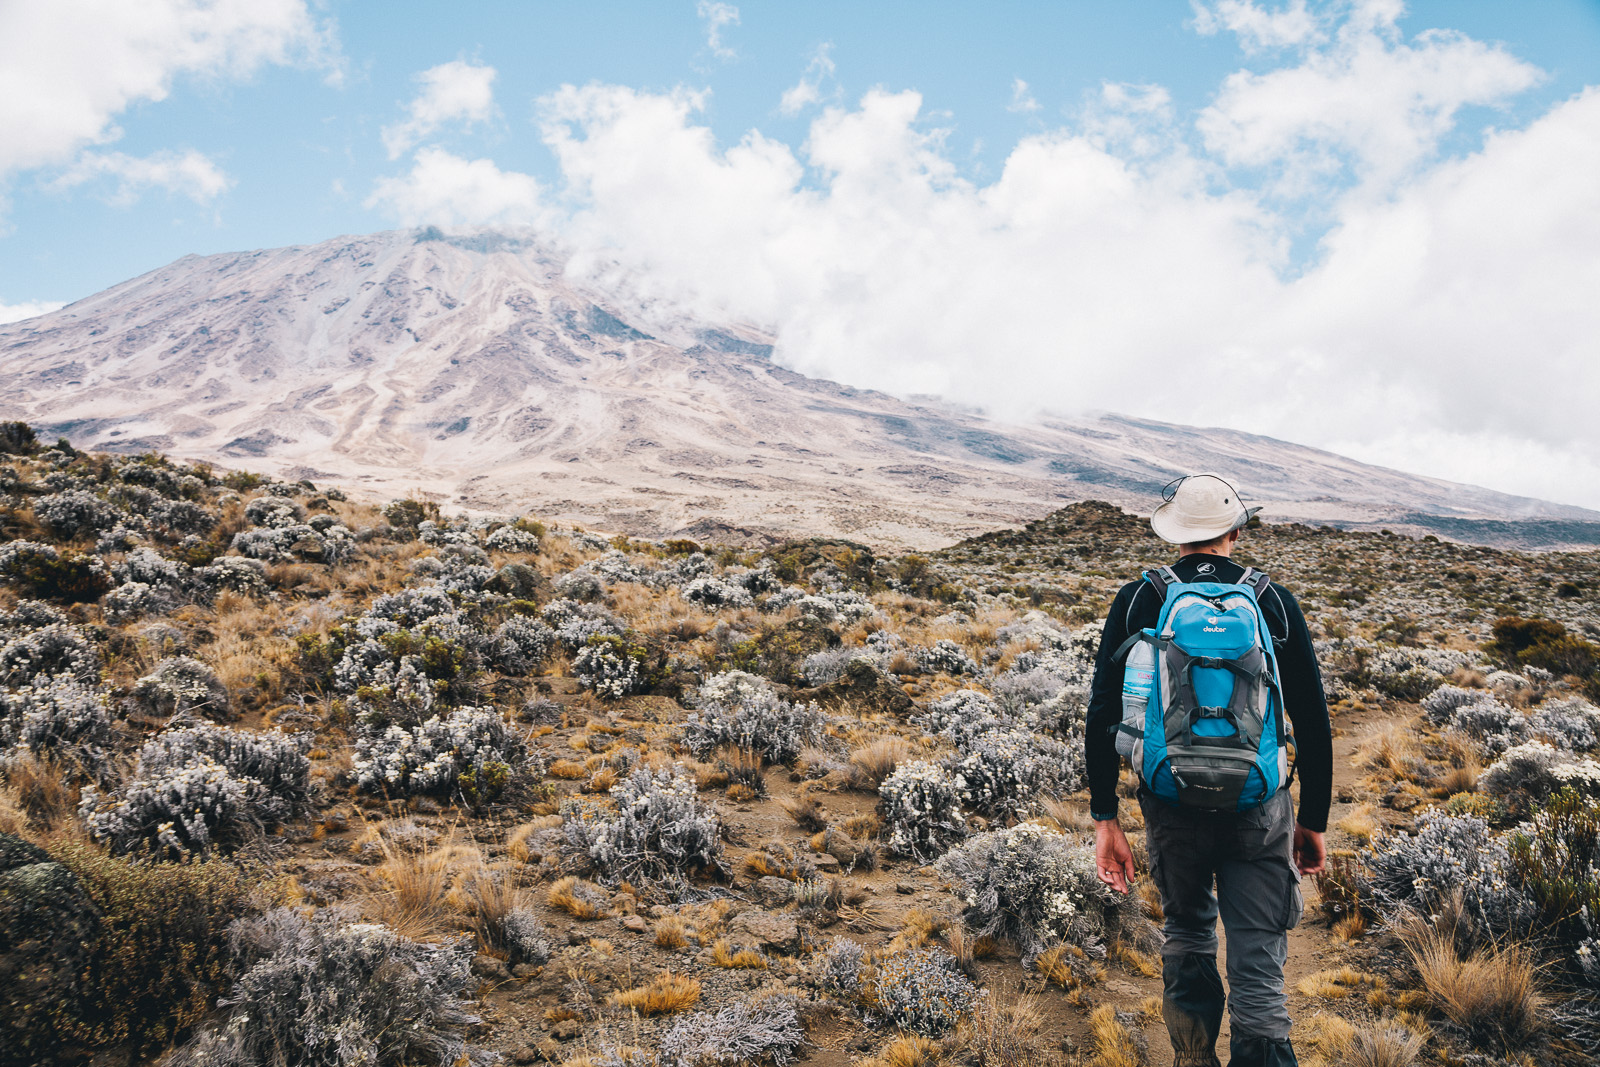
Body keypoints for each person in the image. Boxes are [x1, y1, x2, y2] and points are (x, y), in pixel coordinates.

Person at [1084, 474, 1332, 1067]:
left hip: (1172, 804)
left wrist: (1105, 819)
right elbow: (1314, 718)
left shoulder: (1141, 598)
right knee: (1258, 966)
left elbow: (1102, 714)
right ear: (1235, 532)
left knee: (1189, 929)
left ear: (1175, 537)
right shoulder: (1271, 600)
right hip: (1259, 810)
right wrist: (1313, 821)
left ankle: (1193, 1058)